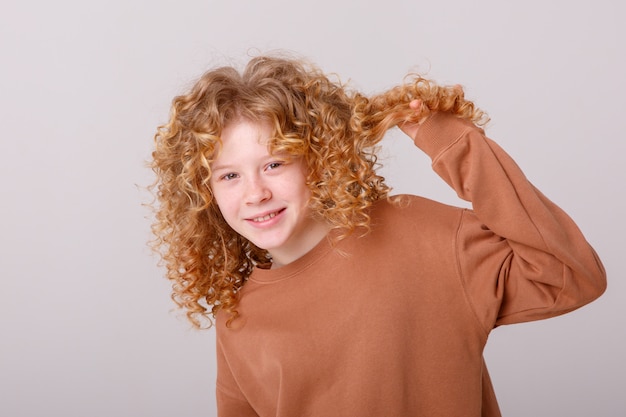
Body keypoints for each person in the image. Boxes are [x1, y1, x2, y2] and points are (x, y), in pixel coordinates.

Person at [150, 53, 607, 417]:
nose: (255, 193)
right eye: (229, 176)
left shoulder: (423, 237)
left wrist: (454, 143)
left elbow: (570, 275)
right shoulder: (238, 316)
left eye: (275, 163)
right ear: (203, 193)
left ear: (318, 157)